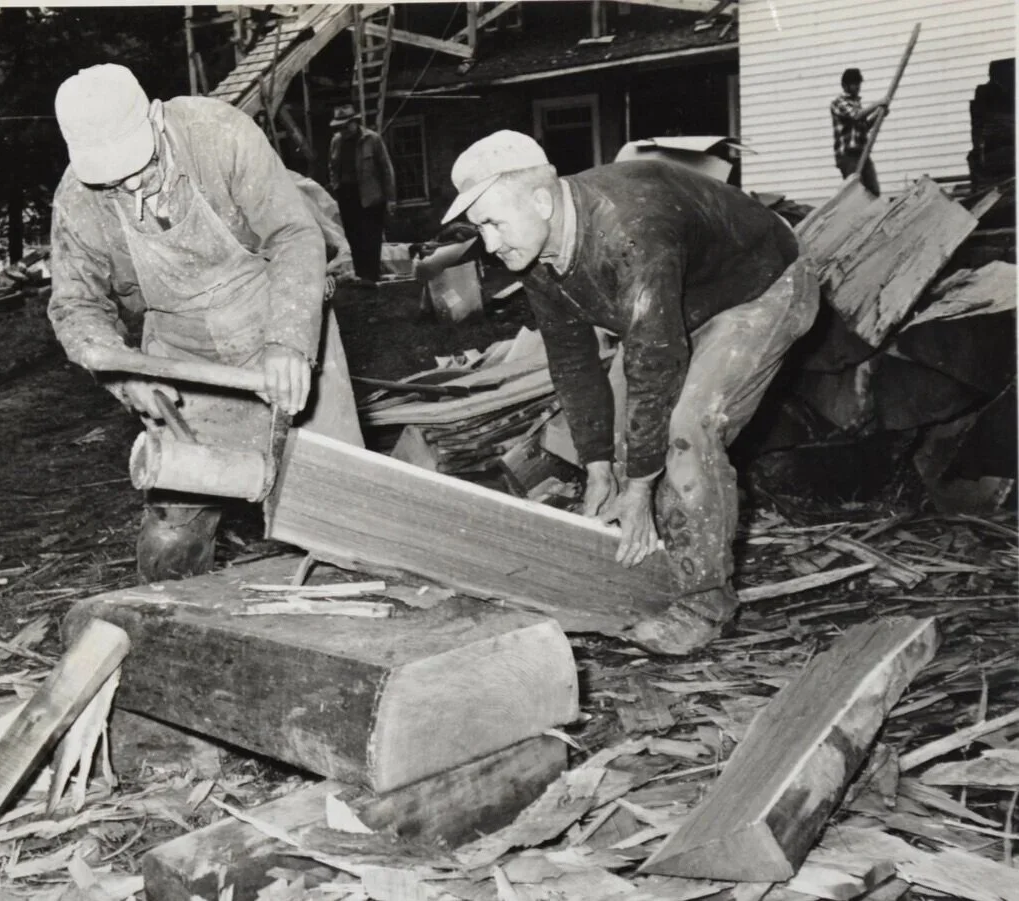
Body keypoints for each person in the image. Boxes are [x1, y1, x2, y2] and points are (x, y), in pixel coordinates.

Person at [442, 131, 819, 655]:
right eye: (479, 227)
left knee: (689, 431)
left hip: (762, 286)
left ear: (542, 200)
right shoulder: (535, 253)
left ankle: (705, 604)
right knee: (628, 441)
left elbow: (654, 360)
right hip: (682, 299)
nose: (488, 243)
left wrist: (639, 487)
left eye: (493, 223)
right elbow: (572, 362)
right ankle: (650, 565)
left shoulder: (630, 229)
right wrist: (597, 462)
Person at [48, 64, 363, 583]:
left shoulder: (219, 134)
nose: (127, 185)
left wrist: (288, 341)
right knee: (172, 534)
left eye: (135, 164)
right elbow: (75, 305)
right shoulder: (78, 200)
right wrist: (126, 373)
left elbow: (292, 234)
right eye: (110, 177)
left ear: (155, 117)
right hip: (183, 355)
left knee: (341, 509)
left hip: (279, 315)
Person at [327, 103, 396, 287]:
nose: (343, 130)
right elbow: (332, 167)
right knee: (354, 236)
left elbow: (386, 170)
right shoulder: (336, 141)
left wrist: (390, 199)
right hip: (348, 196)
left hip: (371, 195)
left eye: (346, 125)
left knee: (371, 236)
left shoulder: (372, 140)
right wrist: (337, 186)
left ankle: (372, 277)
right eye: (339, 127)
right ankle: (361, 276)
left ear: (355, 122)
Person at [831, 67, 888, 195]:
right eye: (854, 84)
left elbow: (864, 127)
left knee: (873, 190)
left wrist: (879, 114)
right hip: (848, 156)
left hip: (861, 152)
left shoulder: (856, 103)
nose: (857, 87)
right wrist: (878, 104)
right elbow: (856, 116)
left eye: (858, 83)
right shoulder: (838, 103)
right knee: (857, 192)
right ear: (845, 85)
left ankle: (875, 214)